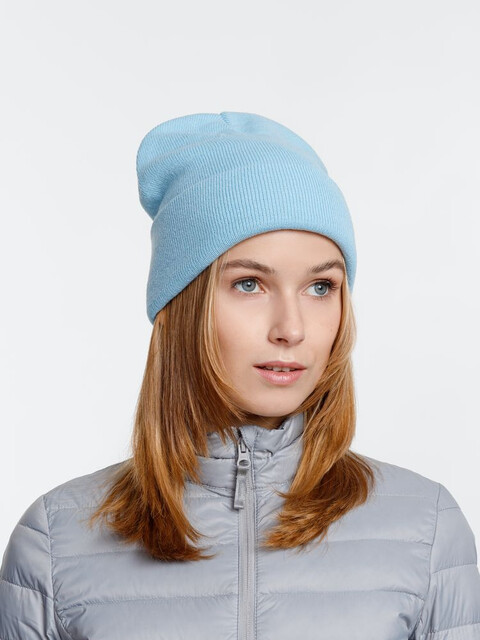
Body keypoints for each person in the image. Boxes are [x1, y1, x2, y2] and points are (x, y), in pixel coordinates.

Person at [1, 111, 479, 640]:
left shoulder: (427, 530)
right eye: (249, 284)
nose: (291, 329)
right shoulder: (55, 542)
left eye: (321, 287)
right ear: (182, 306)